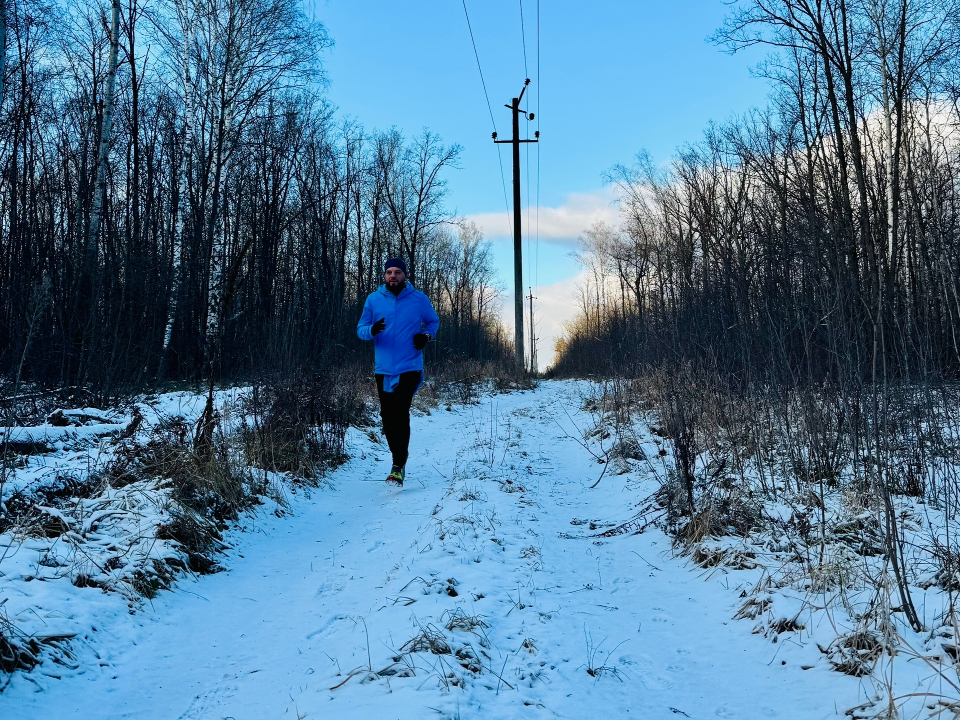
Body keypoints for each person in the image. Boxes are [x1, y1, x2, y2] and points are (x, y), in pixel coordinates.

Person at [357, 258, 440, 486]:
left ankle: (397, 465)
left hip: (410, 365)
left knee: (400, 411)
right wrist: (371, 330)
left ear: (405, 275)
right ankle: (399, 458)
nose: (393, 275)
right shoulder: (373, 299)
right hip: (383, 368)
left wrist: (425, 336)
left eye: (397, 272)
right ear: (385, 275)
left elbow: (433, 321)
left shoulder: (418, 298)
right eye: (389, 272)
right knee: (387, 415)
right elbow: (360, 329)